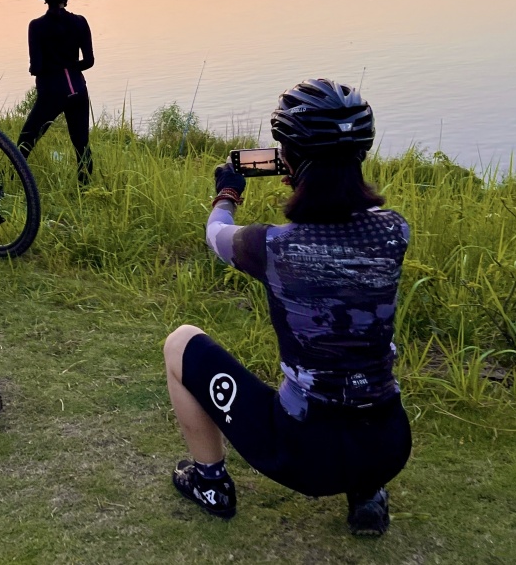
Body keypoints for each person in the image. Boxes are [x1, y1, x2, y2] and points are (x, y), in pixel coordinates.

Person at [163, 79, 411, 536]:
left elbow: (215, 232)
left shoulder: (271, 247)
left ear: (291, 162)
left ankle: (210, 484)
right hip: (389, 444)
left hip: (304, 455)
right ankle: (367, 494)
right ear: (361, 157)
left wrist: (228, 193)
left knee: (180, 344)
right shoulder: (396, 232)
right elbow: (349, 225)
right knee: (362, 365)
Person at [16, 0, 94, 184]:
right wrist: (69, 66)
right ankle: (85, 188)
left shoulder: (36, 26)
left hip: (52, 92)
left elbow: (37, 67)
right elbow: (89, 61)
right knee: (81, 144)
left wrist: (43, 69)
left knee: (26, 141)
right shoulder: (80, 22)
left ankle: (12, 182)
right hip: (78, 89)